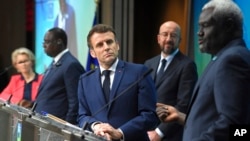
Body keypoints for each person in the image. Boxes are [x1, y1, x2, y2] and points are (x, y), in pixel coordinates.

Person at [156, 0, 250, 140]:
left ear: (229, 25)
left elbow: (235, 126)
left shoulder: (232, 60)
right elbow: (210, 119)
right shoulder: (221, 58)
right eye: (199, 27)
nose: (199, 33)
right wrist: (182, 117)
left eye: (205, 26)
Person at [77, 24, 159, 141]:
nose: (106, 47)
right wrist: (96, 126)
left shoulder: (139, 73)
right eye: (100, 45)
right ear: (92, 53)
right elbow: (82, 116)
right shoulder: (85, 80)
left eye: (109, 42)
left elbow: (151, 116)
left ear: (117, 45)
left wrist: (120, 132)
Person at [144, 21, 198, 141]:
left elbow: (183, 106)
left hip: (169, 135)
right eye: (165, 34)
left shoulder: (187, 65)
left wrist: (159, 133)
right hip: (146, 132)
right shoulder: (149, 63)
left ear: (180, 40)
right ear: (158, 38)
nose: (168, 39)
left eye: (173, 36)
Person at [35, 27, 85, 124]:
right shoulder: (55, 62)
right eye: (43, 42)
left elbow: (75, 101)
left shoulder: (71, 65)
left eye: (47, 42)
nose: (44, 45)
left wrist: (67, 127)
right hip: (45, 123)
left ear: (59, 42)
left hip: (57, 128)